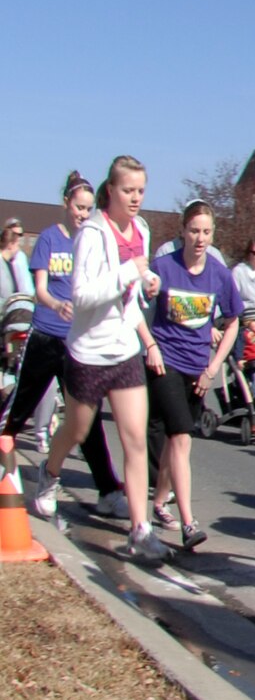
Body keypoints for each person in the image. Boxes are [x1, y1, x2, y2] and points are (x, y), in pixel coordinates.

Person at [31, 156, 167, 561]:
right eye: (128, 190)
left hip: (125, 349)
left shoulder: (141, 228)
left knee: (135, 440)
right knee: (76, 429)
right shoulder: (91, 233)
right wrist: (129, 273)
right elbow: (83, 296)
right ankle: (50, 473)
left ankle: (140, 531)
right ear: (111, 190)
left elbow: (134, 288)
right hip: (89, 351)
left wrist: (148, 282)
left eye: (141, 190)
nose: (136, 198)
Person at [2, 173, 124, 506]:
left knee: (87, 419)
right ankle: (4, 465)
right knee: (20, 410)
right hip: (46, 336)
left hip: (78, 345)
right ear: (66, 205)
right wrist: (57, 304)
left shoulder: (95, 242)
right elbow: (39, 290)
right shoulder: (49, 240)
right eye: (78, 207)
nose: (83, 214)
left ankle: (109, 491)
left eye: (88, 209)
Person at [143, 201, 241, 552]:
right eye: (194, 231)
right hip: (165, 362)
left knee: (175, 442)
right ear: (182, 232)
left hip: (200, 368)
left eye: (206, 232)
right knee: (181, 437)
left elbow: (233, 322)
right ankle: (188, 522)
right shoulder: (163, 267)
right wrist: (149, 345)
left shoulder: (219, 274)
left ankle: (158, 501)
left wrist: (214, 366)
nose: (200, 238)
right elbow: (135, 310)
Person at [0, 219, 31, 302]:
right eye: (16, 235)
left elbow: (27, 286)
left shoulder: (21, 257)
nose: (19, 238)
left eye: (21, 235)